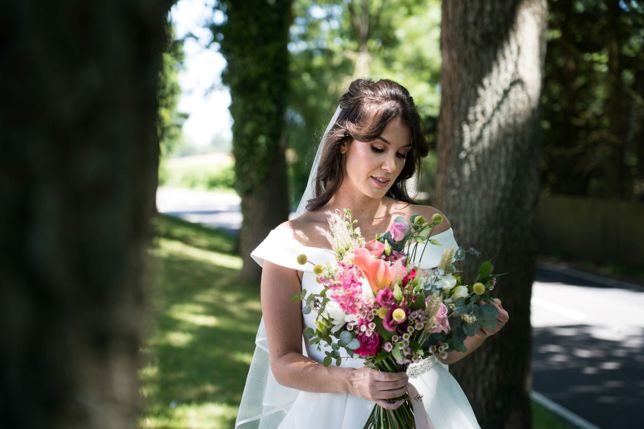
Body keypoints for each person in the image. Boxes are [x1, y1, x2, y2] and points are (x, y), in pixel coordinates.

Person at [234, 78, 509, 429]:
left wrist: (479, 329)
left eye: (401, 153)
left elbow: (441, 351)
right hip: (330, 416)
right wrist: (355, 381)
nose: (390, 166)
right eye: (378, 148)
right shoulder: (291, 243)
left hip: (427, 410)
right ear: (345, 143)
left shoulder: (428, 227)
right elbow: (284, 363)